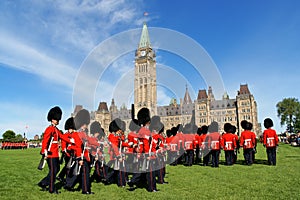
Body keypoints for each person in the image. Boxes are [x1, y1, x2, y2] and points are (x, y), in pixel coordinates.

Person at [38, 106, 73, 194]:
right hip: (50, 153)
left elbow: (62, 137)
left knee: (56, 170)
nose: (57, 121)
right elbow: (45, 140)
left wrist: (71, 141)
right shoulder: (49, 129)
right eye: (56, 119)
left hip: (55, 153)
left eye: (58, 119)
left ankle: (43, 183)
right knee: (53, 171)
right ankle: (51, 188)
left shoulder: (56, 130)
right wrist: (44, 151)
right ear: (52, 119)